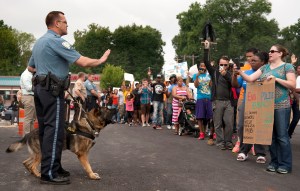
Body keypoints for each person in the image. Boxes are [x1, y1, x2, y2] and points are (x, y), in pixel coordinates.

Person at [27, 11, 110, 185]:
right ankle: (49, 173)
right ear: (57, 23)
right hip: (52, 90)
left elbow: (30, 68)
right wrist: (101, 60)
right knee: (55, 131)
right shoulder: (56, 41)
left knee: (46, 130)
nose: (67, 25)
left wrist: (47, 70)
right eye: (65, 22)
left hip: (41, 89)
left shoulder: (39, 42)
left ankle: (54, 167)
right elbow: (83, 62)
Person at [235, 44, 295, 174]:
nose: (270, 53)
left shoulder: (287, 67)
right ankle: (274, 162)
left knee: (282, 136)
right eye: (269, 51)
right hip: (266, 106)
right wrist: (239, 72)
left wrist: (276, 79)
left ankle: (285, 164)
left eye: (272, 51)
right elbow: (250, 79)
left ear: (280, 53)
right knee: (271, 137)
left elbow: (292, 85)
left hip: (281, 106)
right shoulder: (265, 67)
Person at [232, 52, 268, 163]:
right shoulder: (246, 72)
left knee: (258, 127)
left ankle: (260, 153)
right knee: (243, 126)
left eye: (254, 61)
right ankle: (244, 151)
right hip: (246, 102)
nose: (251, 62)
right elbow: (235, 85)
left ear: (262, 62)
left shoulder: (266, 73)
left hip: (261, 103)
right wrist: (234, 75)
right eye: (250, 60)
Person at [203, 40, 234, 150]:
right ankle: (220, 142)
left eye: (225, 65)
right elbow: (206, 62)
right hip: (217, 101)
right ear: (218, 64)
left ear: (228, 65)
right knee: (218, 124)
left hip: (229, 102)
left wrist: (226, 75)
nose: (223, 66)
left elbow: (234, 84)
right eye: (221, 64)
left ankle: (229, 142)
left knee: (229, 123)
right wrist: (206, 49)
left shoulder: (230, 74)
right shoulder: (214, 72)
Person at [193, 61, 213, 141]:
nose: (203, 67)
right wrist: (197, 76)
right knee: (200, 117)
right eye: (201, 66)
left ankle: (212, 133)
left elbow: (211, 86)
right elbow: (196, 85)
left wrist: (211, 76)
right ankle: (201, 133)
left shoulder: (209, 75)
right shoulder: (196, 75)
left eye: (204, 66)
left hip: (209, 97)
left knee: (211, 117)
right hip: (200, 97)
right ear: (199, 67)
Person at [20, 68, 36, 134]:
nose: (36, 69)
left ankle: (30, 137)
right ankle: (26, 137)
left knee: (32, 119)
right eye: (35, 68)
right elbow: (28, 88)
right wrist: (38, 86)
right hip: (28, 97)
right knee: (28, 119)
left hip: (31, 97)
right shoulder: (26, 75)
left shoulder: (30, 74)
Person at [288, 54, 299, 138]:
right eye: (299, 68)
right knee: (288, 119)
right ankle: (287, 135)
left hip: (296, 101)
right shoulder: (294, 76)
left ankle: (288, 135)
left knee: (295, 118)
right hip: (290, 100)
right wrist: (292, 63)